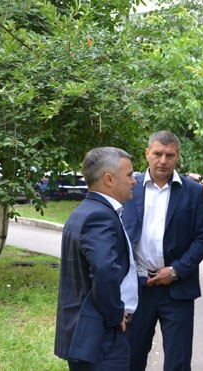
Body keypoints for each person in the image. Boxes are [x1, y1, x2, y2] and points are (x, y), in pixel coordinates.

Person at [122, 131, 203, 371]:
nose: (163, 160)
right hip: (138, 288)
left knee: (178, 360)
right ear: (147, 153)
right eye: (158, 154)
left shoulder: (193, 191)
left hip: (177, 289)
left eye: (169, 155)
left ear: (178, 156)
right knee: (132, 355)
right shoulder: (129, 188)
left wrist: (175, 271)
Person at [54, 147, 138, 370]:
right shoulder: (99, 216)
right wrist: (114, 315)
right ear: (109, 179)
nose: (134, 181)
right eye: (129, 175)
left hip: (92, 332)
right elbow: (104, 271)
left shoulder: (87, 211)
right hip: (102, 335)